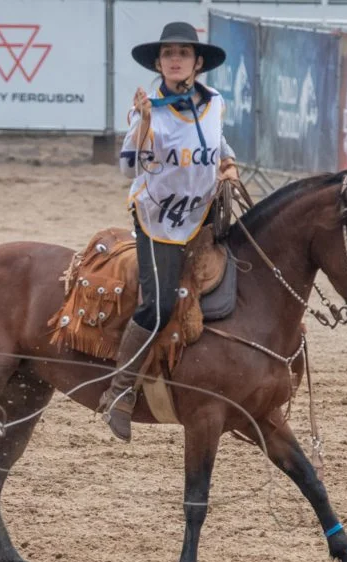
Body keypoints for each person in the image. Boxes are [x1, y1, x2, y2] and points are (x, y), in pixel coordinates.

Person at [98, 21, 241, 442]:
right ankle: (120, 391)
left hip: (203, 212)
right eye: (167, 54)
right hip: (158, 221)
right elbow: (128, 166)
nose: (174, 59)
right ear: (159, 64)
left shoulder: (215, 101)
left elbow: (219, 142)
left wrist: (228, 165)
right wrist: (143, 122)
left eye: (183, 53)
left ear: (197, 63)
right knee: (158, 304)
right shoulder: (147, 108)